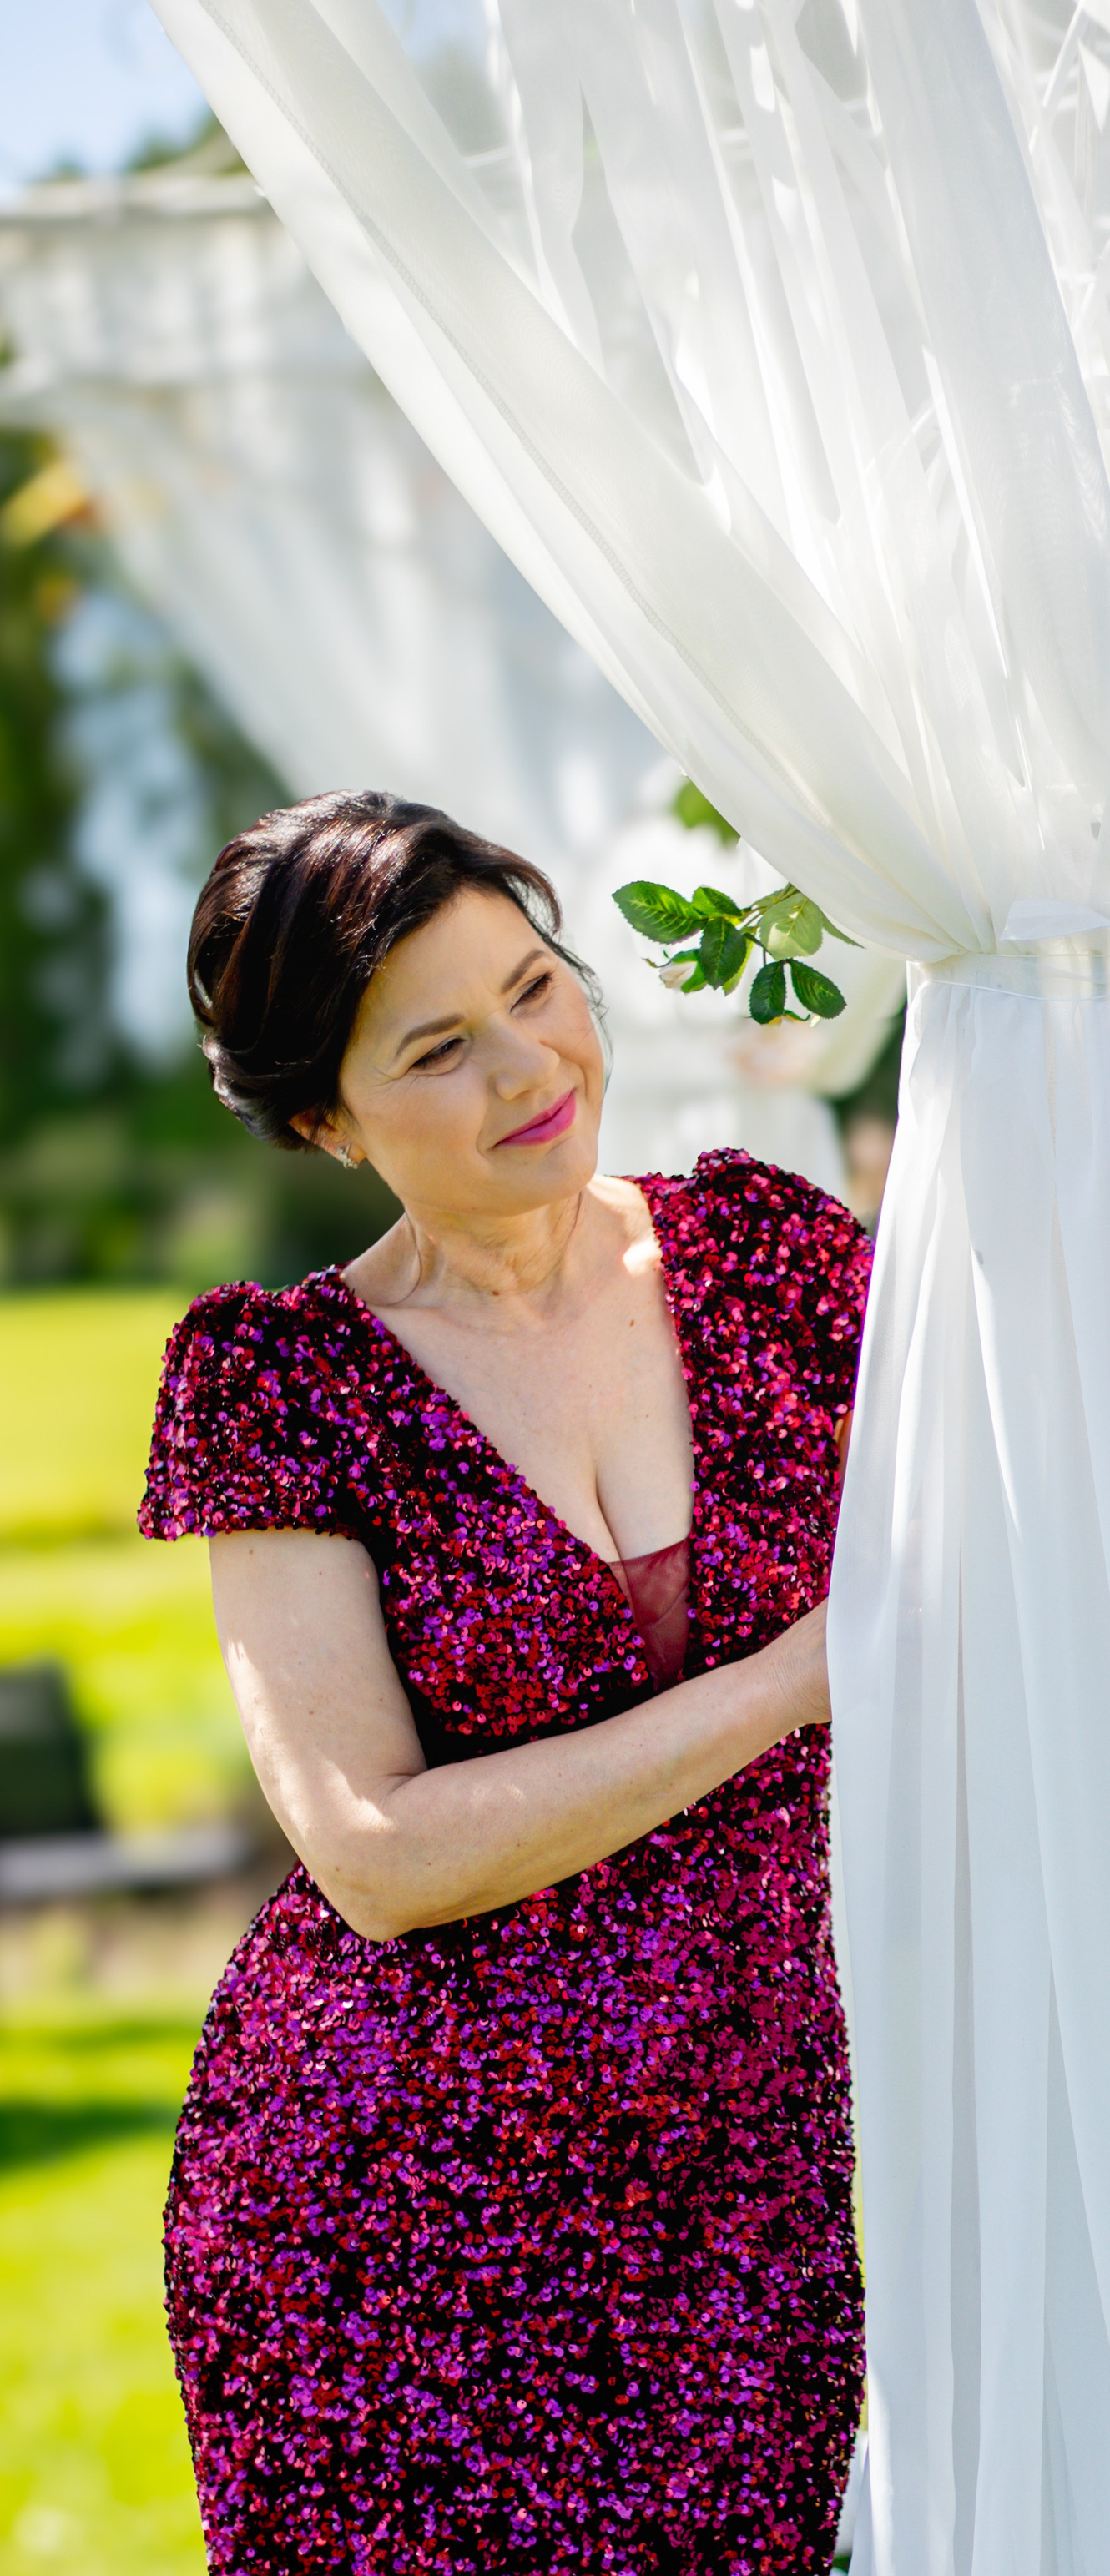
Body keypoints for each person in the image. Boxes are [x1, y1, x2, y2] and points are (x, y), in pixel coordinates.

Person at [139, 791, 866, 2574]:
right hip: (403, 2221)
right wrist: (806, 1677)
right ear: (324, 1114)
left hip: (764, 2182)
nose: (530, 1064)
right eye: (443, 1048)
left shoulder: (771, 1257)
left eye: (541, 989)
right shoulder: (282, 1383)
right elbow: (375, 1849)